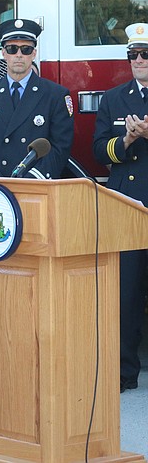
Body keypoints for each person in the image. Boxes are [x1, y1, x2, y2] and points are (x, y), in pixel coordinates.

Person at [92, 22, 148, 393]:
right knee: (125, 295)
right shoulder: (114, 98)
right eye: (133, 55)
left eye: (145, 54)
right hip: (127, 204)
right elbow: (99, 150)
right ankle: (124, 370)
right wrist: (126, 138)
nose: (139, 60)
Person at [0, 18, 74, 179]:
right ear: (3, 53)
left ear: (34, 54)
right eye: (12, 49)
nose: (19, 55)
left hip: (36, 186)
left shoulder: (55, 95)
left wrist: (32, 179)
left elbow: (60, 147)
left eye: (26, 49)